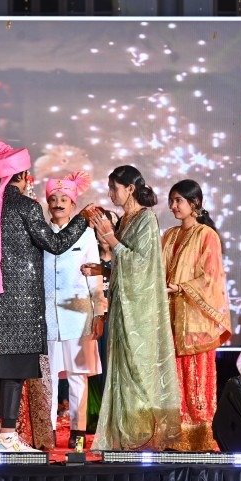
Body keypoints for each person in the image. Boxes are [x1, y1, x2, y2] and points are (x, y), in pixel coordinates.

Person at [0, 140, 92, 452]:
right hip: (20, 307)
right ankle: (9, 436)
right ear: (22, 177)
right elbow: (55, 244)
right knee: (12, 373)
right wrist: (83, 218)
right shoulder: (27, 206)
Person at [86, 165, 181, 451]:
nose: (110, 193)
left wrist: (111, 238)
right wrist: (103, 269)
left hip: (139, 311)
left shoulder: (146, 219)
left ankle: (141, 437)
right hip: (121, 307)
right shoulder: (126, 219)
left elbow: (142, 267)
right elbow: (124, 263)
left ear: (130, 188)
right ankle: (123, 436)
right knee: (120, 368)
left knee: (136, 369)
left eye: (114, 188)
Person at [161, 179, 231, 451]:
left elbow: (211, 277)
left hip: (196, 321)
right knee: (172, 379)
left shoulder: (206, 235)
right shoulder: (169, 235)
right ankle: (174, 437)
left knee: (196, 379)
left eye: (178, 200)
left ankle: (200, 438)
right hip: (170, 318)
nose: (173, 205)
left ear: (195, 203)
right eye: (171, 200)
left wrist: (180, 287)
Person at [43, 171, 106, 448]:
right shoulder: (41, 234)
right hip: (46, 317)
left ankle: (78, 435)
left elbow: (94, 277)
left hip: (78, 315)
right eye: (53, 199)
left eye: (64, 199)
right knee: (48, 378)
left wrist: (99, 312)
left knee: (78, 376)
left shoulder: (87, 235)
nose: (58, 203)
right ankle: (47, 432)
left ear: (73, 204)